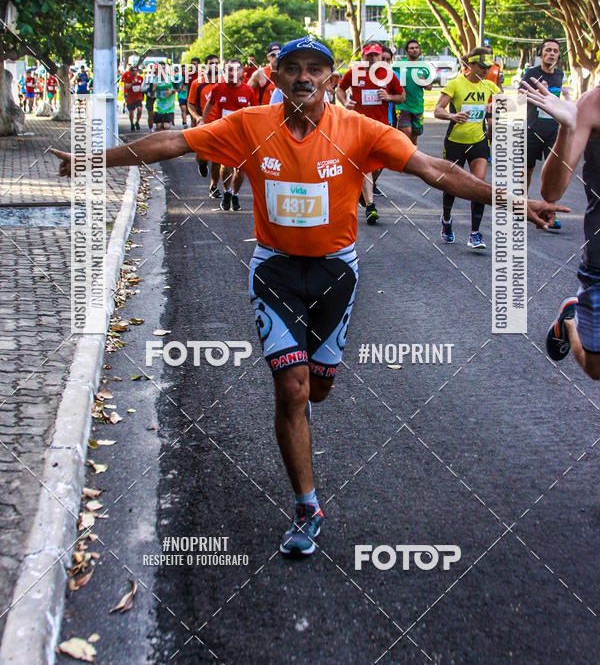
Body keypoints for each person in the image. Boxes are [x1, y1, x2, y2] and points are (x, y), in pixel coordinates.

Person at [50, 35, 563, 557]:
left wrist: (513, 201)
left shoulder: (360, 130)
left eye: (315, 69)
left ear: (331, 80)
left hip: (337, 275)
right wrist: (94, 160)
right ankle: (306, 505)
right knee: (292, 389)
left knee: (317, 390)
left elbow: (438, 171)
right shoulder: (249, 125)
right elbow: (173, 143)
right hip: (274, 271)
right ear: (275, 78)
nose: (303, 77)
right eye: (291, 68)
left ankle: (305, 406)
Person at [521, 78, 599, 380]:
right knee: (596, 368)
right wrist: (567, 127)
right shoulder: (593, 104)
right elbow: (552, 191)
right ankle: (572, 319)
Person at [434, 47, 500, 250]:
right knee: (451, 184)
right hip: (455, 141)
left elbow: (508, 104)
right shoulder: (455, 84)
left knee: (479, 186)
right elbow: (438, 110)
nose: (485, 70)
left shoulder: (490, 86)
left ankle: (475, 233)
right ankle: (446, 220)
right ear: (470, 65)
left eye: (488, 67)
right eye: (481, 66)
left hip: (479, 141)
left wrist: (496, 106)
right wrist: (452, 116)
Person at [336, 42, 405, 224]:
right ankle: (370, 207)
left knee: (379, 164)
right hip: (358, 125)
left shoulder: (387, 74)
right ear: (363, 56)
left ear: (380, 56)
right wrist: (345, 102)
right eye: (369, 55)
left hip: (381, 126)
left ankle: (362, 191)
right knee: (366, 164)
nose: (372, 59)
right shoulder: (354, 72)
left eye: (375, 55)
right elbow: (340, 89)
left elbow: (401, 96)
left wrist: (389, 97)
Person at [520, 39, 564, 230]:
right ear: (541, 54)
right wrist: (537, 91)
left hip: (553, 130)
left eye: (555, 51)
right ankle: (522, 207)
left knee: (553, 173)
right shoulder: (531, 74)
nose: (551, 53)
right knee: (527, 170)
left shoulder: (560, 75)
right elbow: (520, 99)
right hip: (532, 129)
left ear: (559, 55)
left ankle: (549, 212)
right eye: (548, 50)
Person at [202, 58, 257, 212]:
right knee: (225, 165)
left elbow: (255, 111)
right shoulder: (218, 88)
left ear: (241, 72)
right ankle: (227, 192)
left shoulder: (248, 91)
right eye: (229, 70)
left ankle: (235, 194)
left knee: (240, 169)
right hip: (224, 133)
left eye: (235, 70)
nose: (232, 73)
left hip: (241, 134)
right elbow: (210, 104)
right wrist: (202, 120)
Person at [187, 54, 222, 193]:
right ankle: (201, 164)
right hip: (203, 124)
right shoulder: (198, 83)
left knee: (217, 157)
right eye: (211, 63)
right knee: (201, 156)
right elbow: (190, 104)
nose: (214, 66)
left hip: (219, 124)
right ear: (206, 66)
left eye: (217, 63)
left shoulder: (222, 82)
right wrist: (197, 117)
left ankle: (213, 186)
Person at [395, 39, 433, 146]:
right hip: (402, 105)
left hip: (417, 106)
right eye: (411, 48)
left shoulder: (425, 66)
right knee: (406, 131)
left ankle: (412, 157)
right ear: (407, 51)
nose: (414, 50)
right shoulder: (399, 65)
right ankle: (403, 157)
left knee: (414, 136)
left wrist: (423, 81)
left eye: (416, 48)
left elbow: (429, 87)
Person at [153, 65, 176, 131]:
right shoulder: (155, 80)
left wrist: (171, 92)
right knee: (159, 126)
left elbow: (179, 88)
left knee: (166, 126)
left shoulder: (171, 79)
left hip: (169, 107)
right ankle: (159, 139)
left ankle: (166, 139)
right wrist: (153, 89)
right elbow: (152, 95)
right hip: (158, 107)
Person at [121, 63, 144, 131]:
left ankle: (137, 122)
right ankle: (132, 123)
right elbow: (126, 86)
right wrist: (132, 83)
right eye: (133, 70)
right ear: (130, 71)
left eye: (136, 70)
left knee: (139, 109)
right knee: (131, 112)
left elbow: (143, 86)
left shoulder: (140, 78)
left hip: (138, 97)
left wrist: (142, 90)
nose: (135, 72)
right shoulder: (128, 77)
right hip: (130, 97)